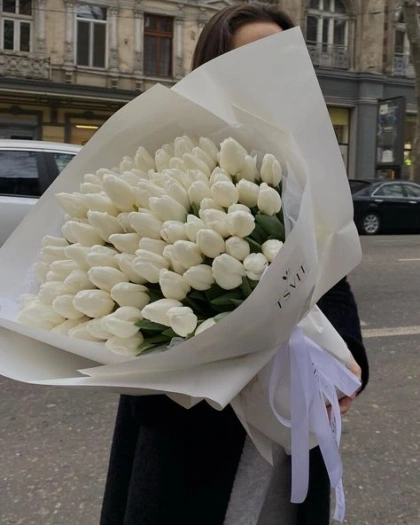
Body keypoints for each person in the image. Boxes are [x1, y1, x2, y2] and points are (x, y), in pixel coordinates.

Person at [100, 5, 369, 525]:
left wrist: (347, 362)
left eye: (281, 61)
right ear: (213, 70)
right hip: (189, 447)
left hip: (287, 441)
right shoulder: (163, 164)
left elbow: (332, 284)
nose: (266, 78)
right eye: (249, 61)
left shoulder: (305, 171)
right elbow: (129, 320)